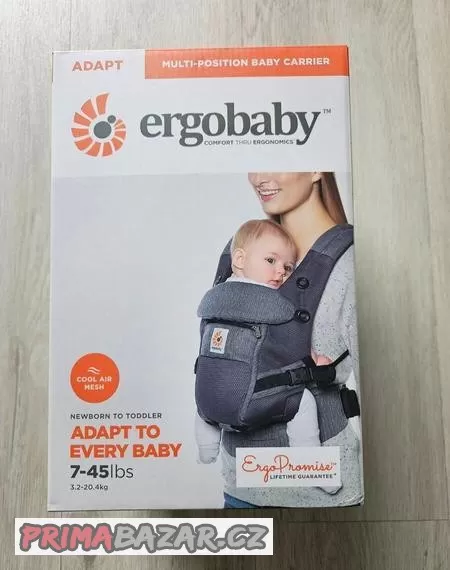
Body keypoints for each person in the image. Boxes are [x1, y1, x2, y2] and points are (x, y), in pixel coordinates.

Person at [214, 172, 362, 508]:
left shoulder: (350, 262)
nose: (260, 177)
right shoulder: (239, 248)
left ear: (316, 169)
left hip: (325, 498)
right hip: (240, 487)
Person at [195, 219, 332, 466]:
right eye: (271, 260)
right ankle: (309, 461)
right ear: (239, 259)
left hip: (207, 403)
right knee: (304, 402)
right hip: (253, 402)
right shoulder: (273, 304)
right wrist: (313, 360)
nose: (280, 272)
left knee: (205, 402)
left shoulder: (213, 298)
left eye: (288, 267)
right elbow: (287, 345)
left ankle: (206, 449)